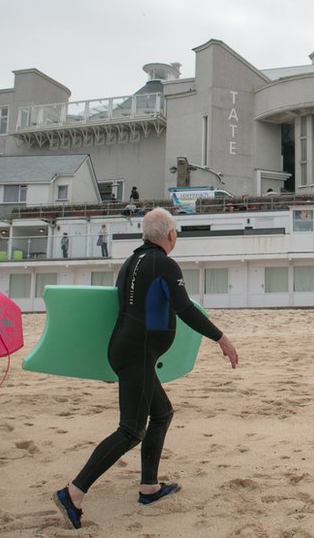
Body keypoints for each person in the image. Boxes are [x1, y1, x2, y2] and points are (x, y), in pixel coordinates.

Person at [53, 208, 238, 529]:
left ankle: (149, 487)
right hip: (137, 353)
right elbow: (184, 308)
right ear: (170, 235)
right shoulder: (164, 263)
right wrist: (220, 337)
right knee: (130, 429)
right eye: (176, 233)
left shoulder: (131, 263)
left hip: (129, 349)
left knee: (162, 412)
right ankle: (73, 492)